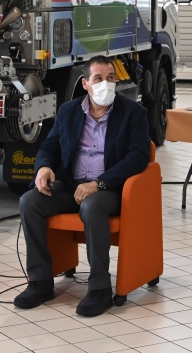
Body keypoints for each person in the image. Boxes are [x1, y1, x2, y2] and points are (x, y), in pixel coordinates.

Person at [15, 55, 151, 317]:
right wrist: (43, 167)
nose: (105, 84)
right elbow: (49, 147)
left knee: (91, 206)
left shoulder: (133, 113)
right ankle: (41, 281)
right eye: (98, 79)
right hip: (70, 186)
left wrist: (98, 184)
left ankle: (99, 289)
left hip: (109, 189)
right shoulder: (69, 111)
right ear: (86, 84)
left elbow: (138, 157)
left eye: (110, 78)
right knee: (29, 201)